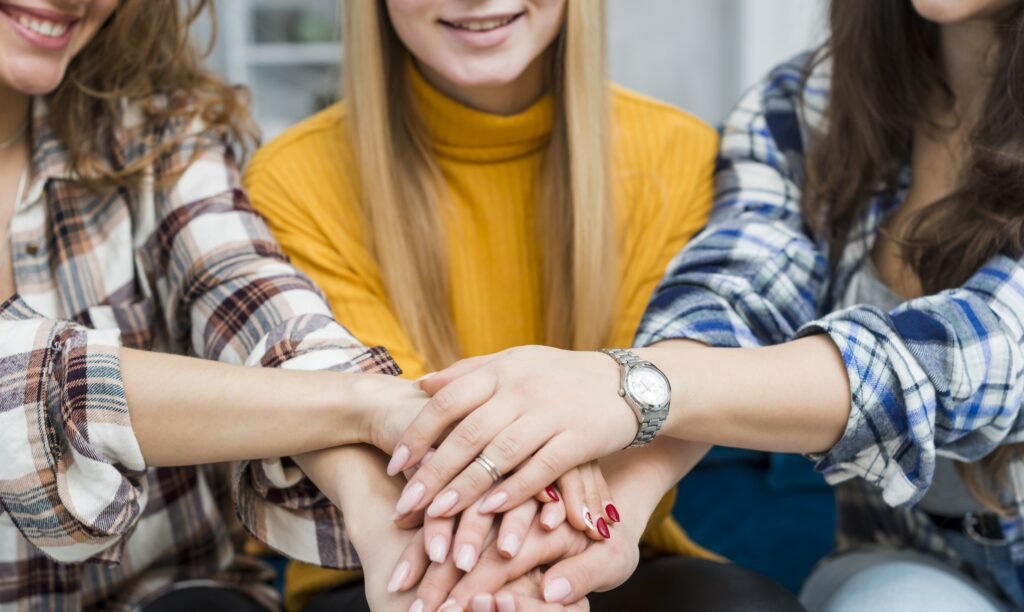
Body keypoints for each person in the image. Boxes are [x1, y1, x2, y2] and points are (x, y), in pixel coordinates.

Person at [391, 0, 1024, 609]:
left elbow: (980, 355)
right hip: (922, 561)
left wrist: (623, 385)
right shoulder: (814, 100)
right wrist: (608, 515)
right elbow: (733, 290)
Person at [247, 1, 804, 610]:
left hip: (605, 538)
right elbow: (399, 422)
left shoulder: (678, 153)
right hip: (395, 557)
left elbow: (667, 387)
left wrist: (586, 533)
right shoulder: (291, 177)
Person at [0, 1, 426, 609]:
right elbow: (23, 377)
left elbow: (248, 293)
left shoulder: (151, 128)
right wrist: (369, 405)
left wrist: (386, 518)